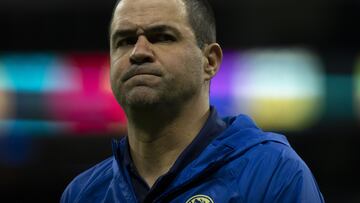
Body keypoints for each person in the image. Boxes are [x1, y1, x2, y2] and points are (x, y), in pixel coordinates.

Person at [61, 0, 324, 202]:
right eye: (125, 41)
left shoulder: (273, 171)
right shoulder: (82, 194)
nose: (138, 52)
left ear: (209, 61)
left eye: (162, 37)